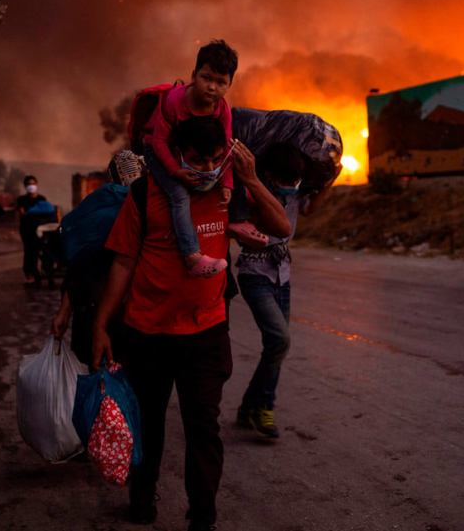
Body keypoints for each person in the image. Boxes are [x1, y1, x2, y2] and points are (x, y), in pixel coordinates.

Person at [91, 116, 291, 531]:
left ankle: (203, 517)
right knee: (149, 422)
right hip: (147, 333)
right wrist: (101, 325)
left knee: (203, 428)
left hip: (206, 334)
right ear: (177, 156)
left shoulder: (228, 189)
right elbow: (124, 262)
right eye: (199, 160)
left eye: (217, 159)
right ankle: (142, 500)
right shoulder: (147, 193)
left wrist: (251, 180)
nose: (209, 167)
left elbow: (281, 227)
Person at [144, 39, 268, 279]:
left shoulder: (222, 109)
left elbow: (227, 148)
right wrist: (175, 172)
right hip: (161, 151)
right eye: (207, 78)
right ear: (193, 75)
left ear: (229, 85)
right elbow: (159, 141)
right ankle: (192, 256)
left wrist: (228, 186)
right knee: (179, 196)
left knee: (241, 158)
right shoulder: (174, 102)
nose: (212, 87)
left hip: (197, 153)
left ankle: (238, 220)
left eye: (220, 82)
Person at [234, 143, 330, 439]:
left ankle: (252, 407)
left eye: (294, 182)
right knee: (280, 339)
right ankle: (264, 407)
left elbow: (310, 209)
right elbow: (266, 228)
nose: (290, 187)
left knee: (275, 347)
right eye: (284, 182)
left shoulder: (295, 189)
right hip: (254, 273)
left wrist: (329, 181)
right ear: (270, 174)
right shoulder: (253, 195)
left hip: (282, 274)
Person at [50, 149, 145, 364]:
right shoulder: (147, 205)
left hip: (92, 311)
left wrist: (64, 311)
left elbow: (79, 263)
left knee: (93, 382)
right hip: (134, 315)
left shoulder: (94, 208)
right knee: (129, 389)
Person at [16, 175, 48, 284]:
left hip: (40, 228)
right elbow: (22, 213)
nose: (31, 186)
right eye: (29, 184)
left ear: (37, 184)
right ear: (25, 186)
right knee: (29, 251)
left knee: (39, 250)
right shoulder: (22, 200)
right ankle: (29, 272)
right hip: (27, 229)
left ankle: (38, 271)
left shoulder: (42, 199)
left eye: (33, 183)